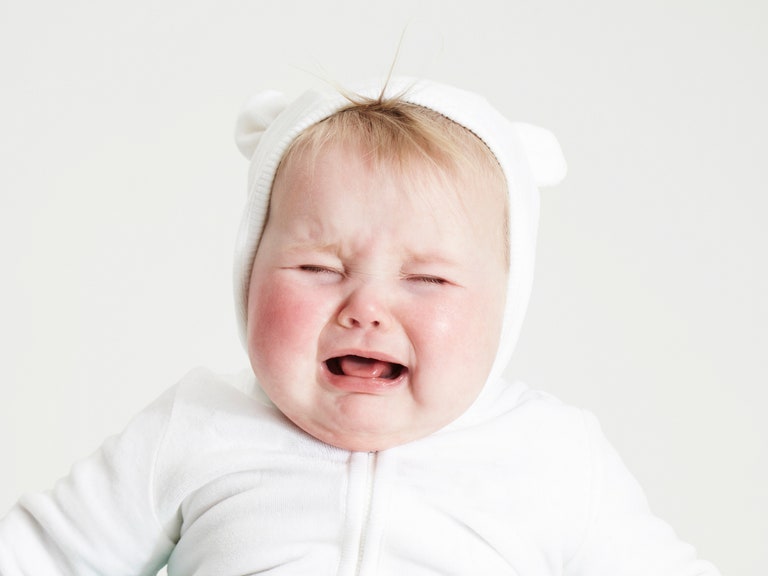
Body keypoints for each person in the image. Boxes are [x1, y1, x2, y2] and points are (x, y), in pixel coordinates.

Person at [0, 78, 721, 575]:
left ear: (506, 306)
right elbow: (42, 555)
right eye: (317, 267)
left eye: (428, 279)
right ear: (249, 275)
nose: (366, 307)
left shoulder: (556, 456)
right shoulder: (196, 427)